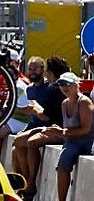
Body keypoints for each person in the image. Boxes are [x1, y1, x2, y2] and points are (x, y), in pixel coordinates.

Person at [13, 55, 71, 192]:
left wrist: (33, 108)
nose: (46, 75)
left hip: (59, 129)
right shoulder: (53, 87)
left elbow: (45, 117)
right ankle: (26, 182)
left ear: (50, 72)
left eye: (47, 72)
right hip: (49, 126)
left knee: (32, 143)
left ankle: (31, 182)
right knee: (17, 142)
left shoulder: (55, 88)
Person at [51, 72, 94, 201]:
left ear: (77, 85)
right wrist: (55, 131)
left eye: (68, 84)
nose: (64, 87)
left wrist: (62, 132)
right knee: (62, 164)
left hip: (89, 141)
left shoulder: (84, 102)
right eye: (61, 84)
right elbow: (67, 130)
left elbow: (86, 129)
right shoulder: (64, 103)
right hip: (72, 142)